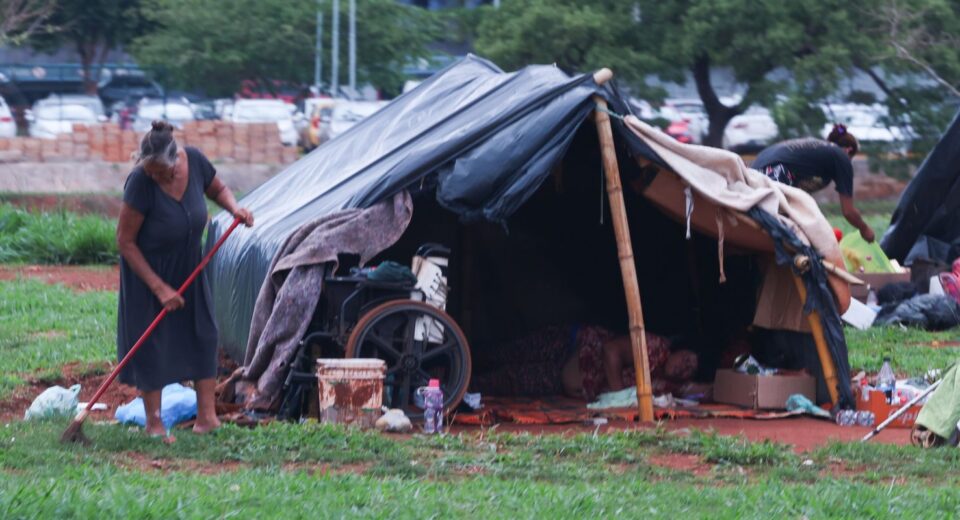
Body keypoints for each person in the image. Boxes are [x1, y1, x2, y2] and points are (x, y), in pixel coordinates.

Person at [116, 121, 253, 439]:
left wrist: (234, 209)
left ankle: (208, 418)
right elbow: (125, 241)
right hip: (149, 272)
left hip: (189, 266)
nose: (154, 177)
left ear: (176, 160)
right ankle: (154, 424)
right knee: (153, 344)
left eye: (161, 172)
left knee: (204, 333)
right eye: (149, 171)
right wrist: (160, 288)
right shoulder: (140, 182)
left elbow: (217, 189)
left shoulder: (195, 160)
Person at [469, 324, 698, 400]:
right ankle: (447, 361)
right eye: (686, 359)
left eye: (689, 369)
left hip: (562, 378)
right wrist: (618, 397)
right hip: (568, 347)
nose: (683, 367)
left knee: (502, 383)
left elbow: (701, 392)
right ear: (679, 348)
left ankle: (444, 381)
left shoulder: (666, 385)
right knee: (502, 355)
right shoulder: (655, 347)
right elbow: (611, 351)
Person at [752, 124, 875, 242]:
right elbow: (848, 212)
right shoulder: (841, 156)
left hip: (753, 173)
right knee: (790, 234)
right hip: (775, 173)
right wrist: (865, 229)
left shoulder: (817, 151)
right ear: (849, 150)